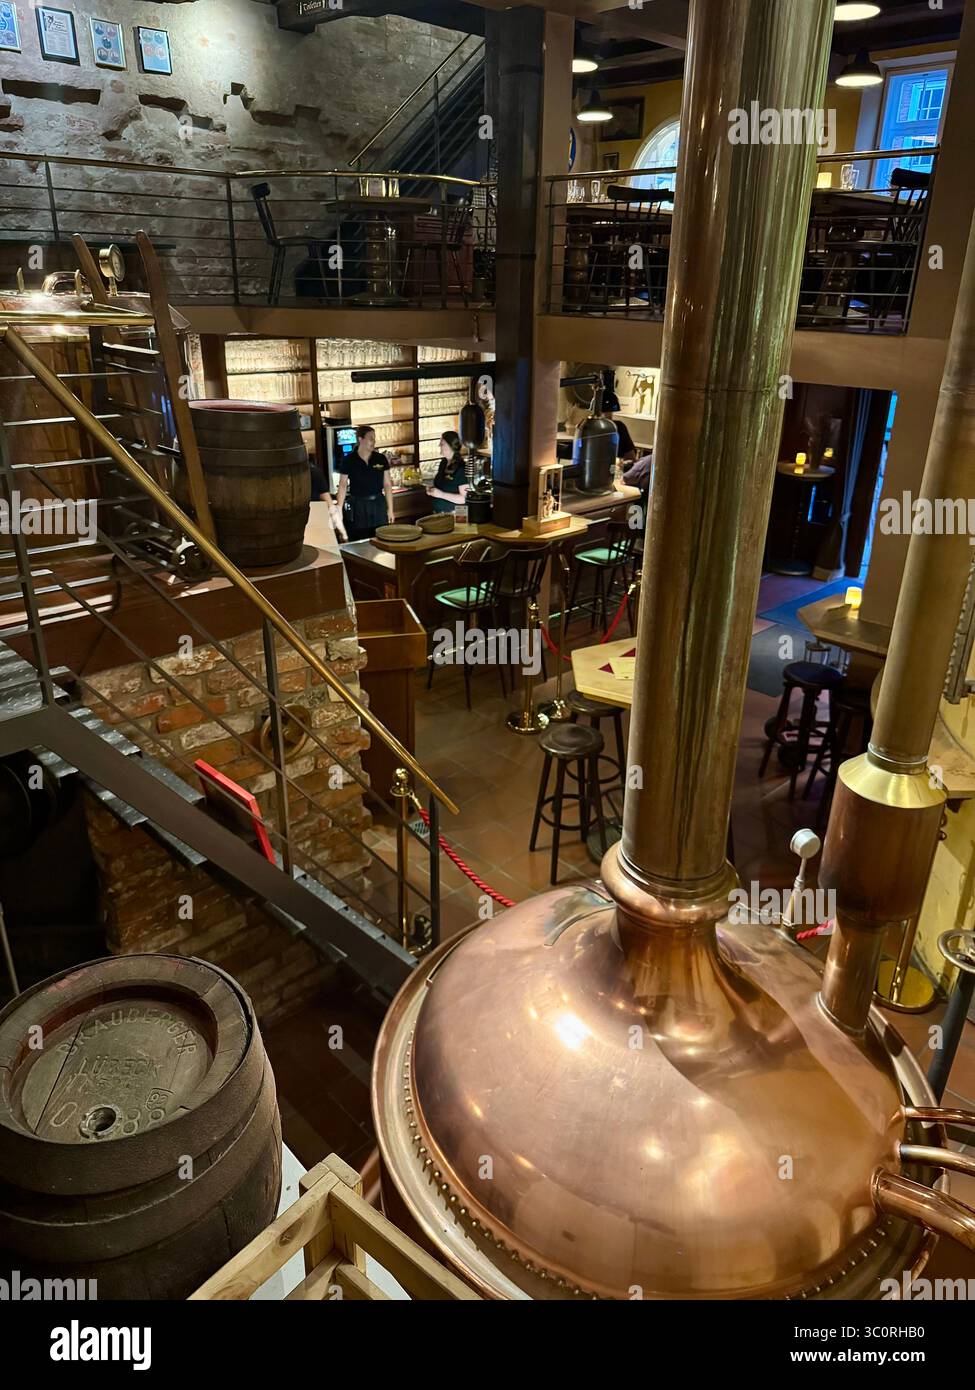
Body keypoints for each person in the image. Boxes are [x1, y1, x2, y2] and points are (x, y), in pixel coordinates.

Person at [335, 425, 394, 541]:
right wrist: (339, 509)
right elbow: (342, 485)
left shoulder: (380, 458)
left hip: (378, 504)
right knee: (359, 540)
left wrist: (390, 509)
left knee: (381, 538)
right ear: (360, 439)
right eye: (370, 438)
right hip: (358, 505)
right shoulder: (349, 460)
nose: (374, 441)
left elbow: (387, 485)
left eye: (374, 438)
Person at [425, 431, 470, 514]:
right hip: (440, 514)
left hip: (458, 514)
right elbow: (443, 485)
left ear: (451, 446)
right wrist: (433, 490)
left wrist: (441, 494)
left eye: (442, 444)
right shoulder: (443, 463)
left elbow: (464, 498)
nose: (439, 446)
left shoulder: (462, 468)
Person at [601, 390, 637, 463]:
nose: (608, 415)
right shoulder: (588, 428)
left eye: (609, 412)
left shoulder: (618, 427)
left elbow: (630, 459)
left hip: (614, 470)